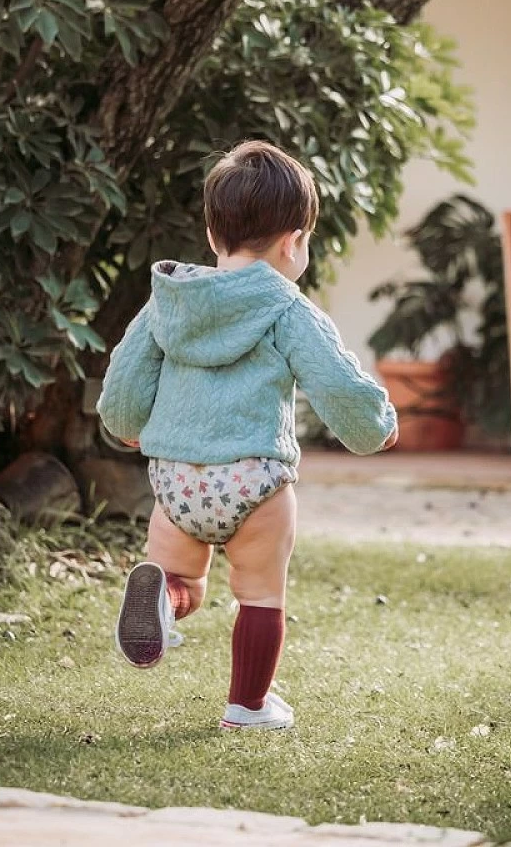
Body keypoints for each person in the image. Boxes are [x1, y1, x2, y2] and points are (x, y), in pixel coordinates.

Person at [96, 140, 398, 731]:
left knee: (186, 579)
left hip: (177, 482)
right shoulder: (287, 308)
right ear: (293, 242)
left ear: (212, 236)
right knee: (259, 593)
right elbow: (338, 383)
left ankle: (163, 600)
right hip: (254, 480)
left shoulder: (171, 302)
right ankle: (248, 706)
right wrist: (376, 429)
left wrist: (127, 428)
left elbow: (126, 379)